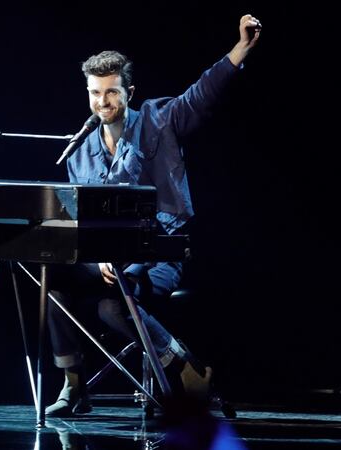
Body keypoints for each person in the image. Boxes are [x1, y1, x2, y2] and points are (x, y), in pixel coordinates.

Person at [46, 14, 262, 417]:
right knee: (52, 284)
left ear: (129, 92)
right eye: (95, 93)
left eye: (111, 93)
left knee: (111, 307)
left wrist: (240, 50)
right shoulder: (79, 151)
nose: (102, 102)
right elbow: (81, 221)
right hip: (106, 261)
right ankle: (74, 385)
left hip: (160, 256)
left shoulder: (159, 121)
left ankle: (186, 369)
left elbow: (202, 94)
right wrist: (97, 256)